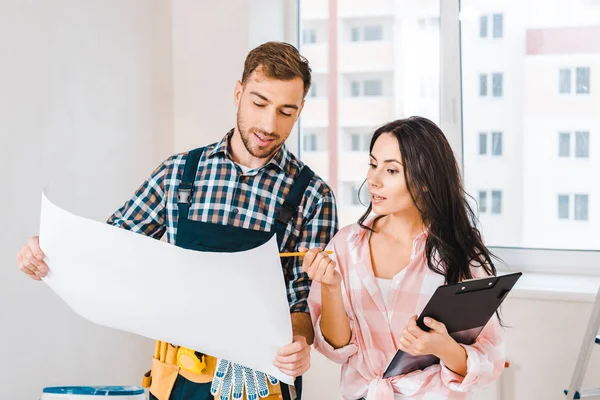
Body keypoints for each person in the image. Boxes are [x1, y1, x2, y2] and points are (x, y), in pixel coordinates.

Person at [15, 41, 338, 400]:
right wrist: (46, 252)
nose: (268, 123)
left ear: (301, 110)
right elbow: (110, 247)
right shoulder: (179, 173)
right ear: (238, 92)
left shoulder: (313, 196)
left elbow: (303, 304)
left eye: (286, 112)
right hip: (177, 381)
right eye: (259, 103)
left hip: (259, 385)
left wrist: (298, 342)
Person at [302, 117, 505, 400]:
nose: (374, 179)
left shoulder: (458, 249)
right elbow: (336, 349)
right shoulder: (346, 244)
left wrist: (442, 347)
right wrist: (331, 287)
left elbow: (490, 360)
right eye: (373, 165)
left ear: (425, 180)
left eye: (391, 170)